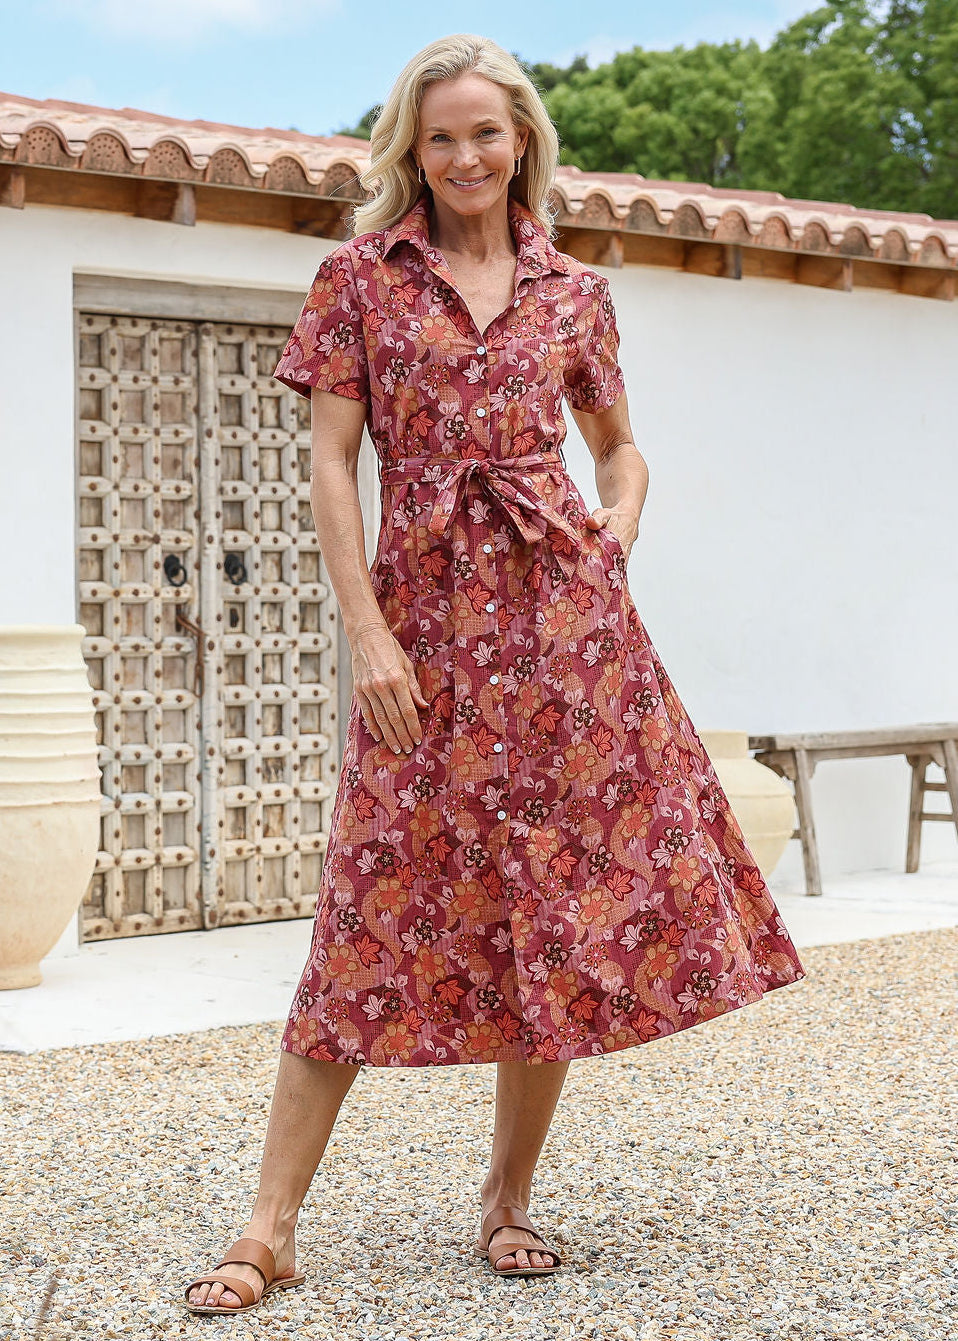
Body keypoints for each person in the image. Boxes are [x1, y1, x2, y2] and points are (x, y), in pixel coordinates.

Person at [183, 32, 806, 1313]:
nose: (465, 155)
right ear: (411, 149)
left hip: (563, 636)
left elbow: (620, 450)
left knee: (551, 913)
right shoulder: (356, 278)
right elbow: (329, 467)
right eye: (441, 135)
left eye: (486, 132)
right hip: (420, 637)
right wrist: (368, 635)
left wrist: (612, 534)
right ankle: (269, 1225)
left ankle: (507, 1200)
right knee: (365, 907)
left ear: (522, 140)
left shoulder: (572, 290)